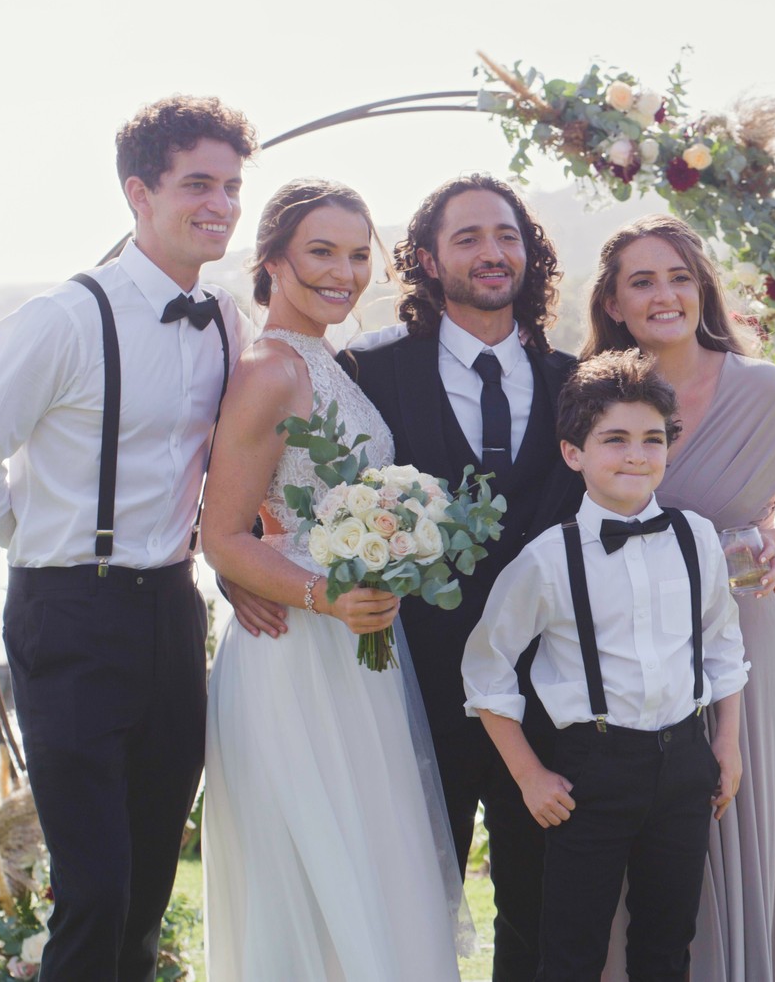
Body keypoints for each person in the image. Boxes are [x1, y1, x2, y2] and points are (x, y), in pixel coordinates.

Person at [0, 96, 253, 981]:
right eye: (197, 184)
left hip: (175, 612)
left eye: (230, 185)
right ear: (138, 192)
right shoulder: (62, 319)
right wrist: (41, 541)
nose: (219, 203)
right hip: (68, 611)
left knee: (147, 884)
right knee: (96, 884)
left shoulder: (225, 318)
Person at [199, 178, 467, 980]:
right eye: (321, 251)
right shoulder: (269, 369)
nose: (343, 272)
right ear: (272, 258)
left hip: (357, 651)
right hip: (296, 653)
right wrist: (325, 596)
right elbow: (221, 536)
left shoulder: (327, 358)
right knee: (318, 869)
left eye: (358, 254)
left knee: (371, 859)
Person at [581, 215, 775, 981]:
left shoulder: (762, 388)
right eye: (642, 281)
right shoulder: (596, 392)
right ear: (615, 303)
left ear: (701, 289)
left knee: (737, 822)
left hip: (742, 643)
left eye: (679, 276)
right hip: (625, 654)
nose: (664, 294)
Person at [344, 174, 586, 980]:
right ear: (425, 258)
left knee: (543, 909)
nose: (493, 252)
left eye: (508, 235)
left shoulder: (577, 381)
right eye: (469, 237)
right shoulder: (367, 372)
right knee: (412, 906)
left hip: (547, 692)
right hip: (412, 690)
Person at [462, 349, 748, 982]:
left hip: (683, 767)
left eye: (651, 439)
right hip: (589, 770)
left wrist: (724, 745)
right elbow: (486, 669)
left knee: (667, 947)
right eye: (613, 439)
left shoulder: (696, 537)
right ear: (574, 453)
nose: (635, 455)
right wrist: (530, 775)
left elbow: (723, 647)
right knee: (570, 953)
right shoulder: (547, 559)